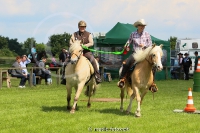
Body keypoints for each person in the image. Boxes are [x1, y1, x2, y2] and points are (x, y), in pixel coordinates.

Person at [118, 19, 152, 88]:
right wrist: (126, 46)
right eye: (141, 25)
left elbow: (150, 45)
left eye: (144, 25)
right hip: (135, 53)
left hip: (144, 54)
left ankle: (152, 83)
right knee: (127, 63)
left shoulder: (147, 34)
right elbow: (128, 42)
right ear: (138, 26)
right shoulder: (133, 34)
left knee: (153, 65)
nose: (143, 27)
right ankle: (122, 79)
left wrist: (144, 46)